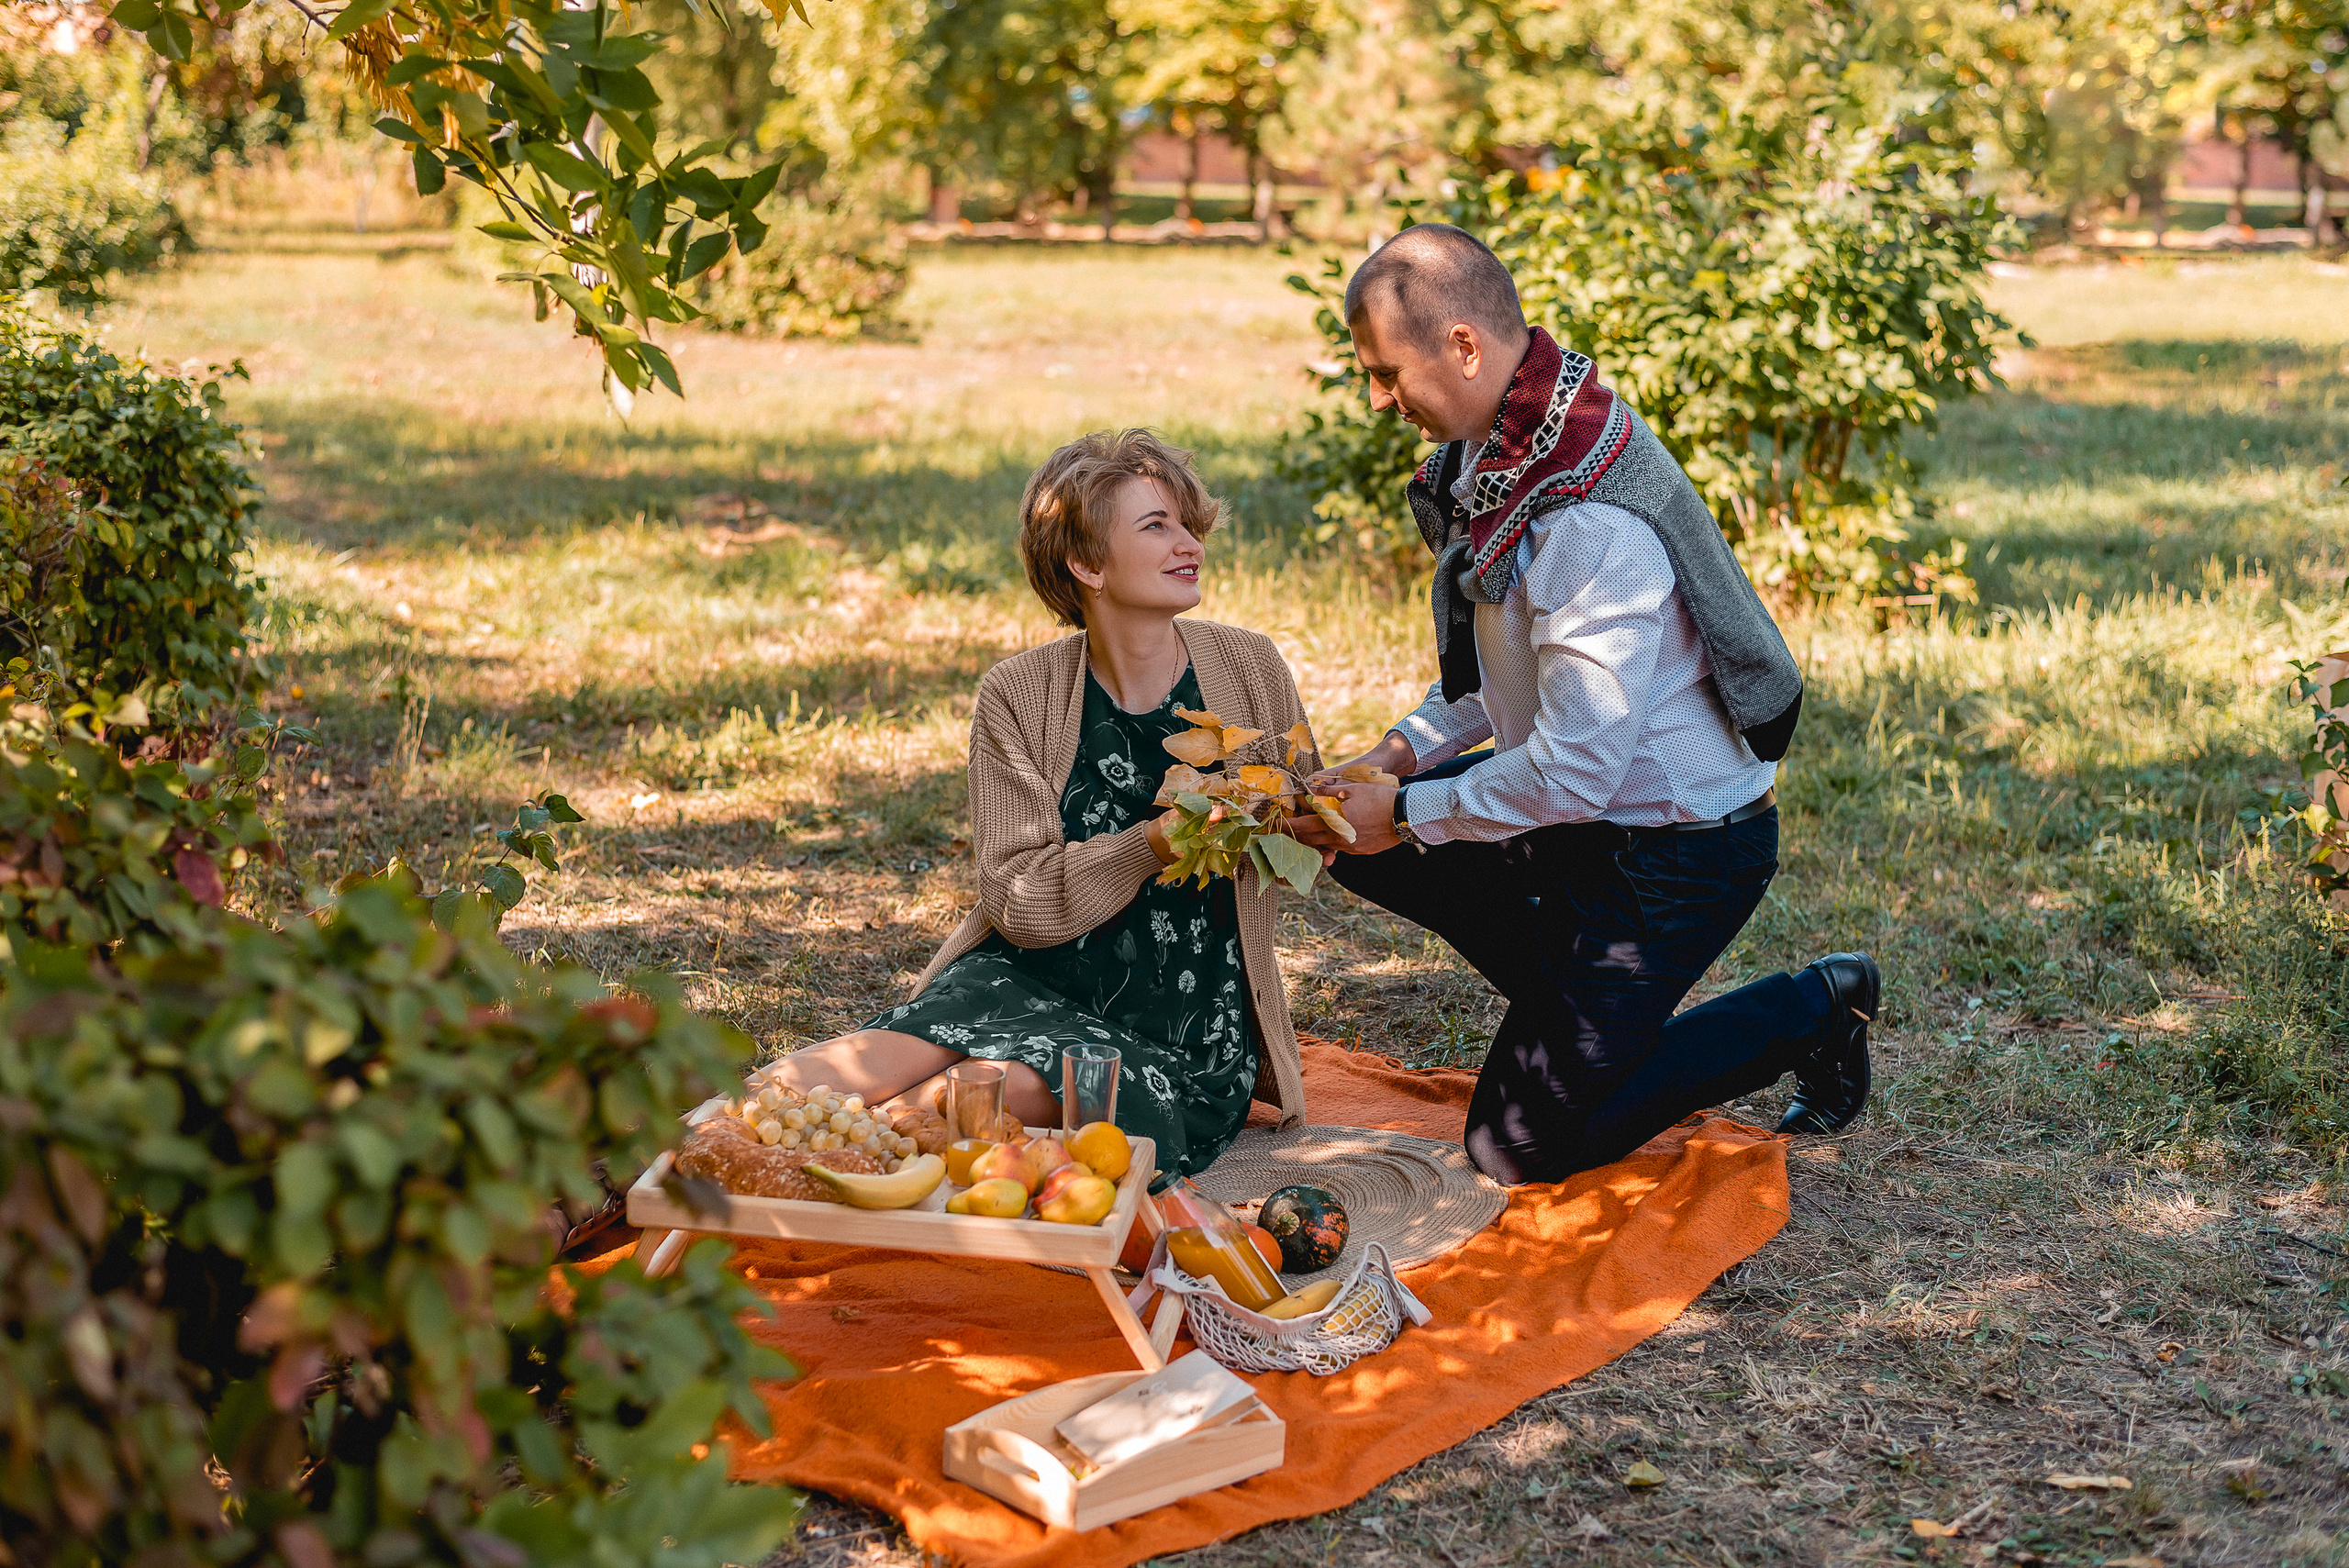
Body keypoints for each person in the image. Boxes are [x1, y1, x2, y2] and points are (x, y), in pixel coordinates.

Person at [1288, 224, 1878, 1186]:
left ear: (1464, 347)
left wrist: (1406, 808)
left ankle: (1817, 1005)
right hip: (1588, 821)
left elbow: (1575, 767)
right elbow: (1502, 684)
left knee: (1517, 1146)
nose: (1378, 400)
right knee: (1355, 836)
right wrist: (1394, 759)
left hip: (1678, 854)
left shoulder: (1584, 515)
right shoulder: (1504, 454)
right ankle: (1588, 1013)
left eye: (1386, 374)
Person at [762, 428, 1311, 1179]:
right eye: (1157, 526)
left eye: (1189, 524)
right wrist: (1150, 845)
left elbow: (1301, 828)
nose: (1190, 544)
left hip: (1177, 1030)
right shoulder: (1018, 693)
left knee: (945, 1100)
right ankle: (670, 1144)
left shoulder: (1249, 666)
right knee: (851, 1064)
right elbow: (1016, 901)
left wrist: (1317, 815)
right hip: (1025, 975)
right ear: (1086, 563)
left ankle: (783, 1176)